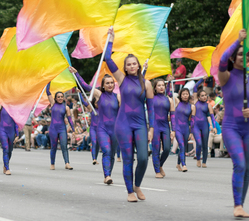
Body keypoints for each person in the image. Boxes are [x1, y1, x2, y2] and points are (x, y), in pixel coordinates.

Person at [218, 29, 249, 218]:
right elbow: (222, 60)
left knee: (246, 168)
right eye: (238, 54)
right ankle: (237, 205)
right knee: (239, 163)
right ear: (233, 58)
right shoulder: (226, 77)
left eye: (245, 55)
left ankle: (241, 204)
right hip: (231, 127)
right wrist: (238, 40)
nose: (242, 57)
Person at [103, 28, 154, 202]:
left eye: (134, 63)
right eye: (129, 64)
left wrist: (151, 128)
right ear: (125, 67)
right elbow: (107, 58)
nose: (132, 66)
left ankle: (137, 185)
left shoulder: (147, 84)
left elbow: (151, 108)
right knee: (127, 159)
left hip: (140, 124)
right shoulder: (122, 79)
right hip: (123, 124)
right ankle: (129, 192)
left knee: (142, 158)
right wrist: (111, 38)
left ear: (139, 65)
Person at [73, 68, 120, 183]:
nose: (110, 85)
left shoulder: (118, 96)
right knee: (107, 151)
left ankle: (108, 173)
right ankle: (107, 176)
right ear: (103, 85)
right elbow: (84, 85)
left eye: (111, 83)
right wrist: (76, 73)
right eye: (107, 83)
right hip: (102, 128)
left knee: (112, 154)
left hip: (115, 129)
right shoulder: (99, 94)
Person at [46, 82, 75, 170]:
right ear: (55, 98)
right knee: (53, 146)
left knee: (64, 146)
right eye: (58, 97)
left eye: (61, 97)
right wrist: (49, 80)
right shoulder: (53, 104)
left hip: (62, 129)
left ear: (64, 98)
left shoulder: (66, 107)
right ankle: (52, 164)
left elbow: (69, 119)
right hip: (53, 129)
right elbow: (47, 91)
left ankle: (67, 163)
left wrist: (73, 129)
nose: (60, 98)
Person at [151, 79, 175, 178]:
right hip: (155, 126)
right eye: (159, 85)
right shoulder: (151, 98)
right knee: (156, 149)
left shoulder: (169, 100)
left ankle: (160, 165)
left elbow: (172, 116)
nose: (161, 87)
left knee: (166, 149)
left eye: (163, 85)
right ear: (155, 88)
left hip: (165, 126)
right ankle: (157, 171)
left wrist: (173, 130)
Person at [192, 77, 217, 168]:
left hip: (204, 126)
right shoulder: (195, 101)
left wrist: (213, 126)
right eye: (202, 95)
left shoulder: (208, 105)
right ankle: (198, 158)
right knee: (198, 143)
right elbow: (195, 87)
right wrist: (202, 80)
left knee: (205, 144)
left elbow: (212, 117)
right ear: (198, 97)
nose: (204, 97)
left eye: (205, 95)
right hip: (196, 126)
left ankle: (204, 161)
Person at [175, 88, 195, 172]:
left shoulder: (192, 106)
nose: (185, 95)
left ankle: (178, 163)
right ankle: (184, 165)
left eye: (187, 94)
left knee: (183, 147)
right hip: (177, 128)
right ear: (180, 95)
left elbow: (192, 121)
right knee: (182, 145)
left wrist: (191, 132)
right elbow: (169, 92)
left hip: (186, 129)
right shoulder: (177, 102)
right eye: (183, 94)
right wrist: (169, 83)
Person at [0, 104, 19, 175]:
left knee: (10, 150)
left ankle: (5, 164)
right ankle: (7, 168)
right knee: (5, 148)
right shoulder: (1, 105)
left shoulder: (15, 109)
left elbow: (16, 123)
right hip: (2, 130)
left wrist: (17, 135)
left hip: (11, 131)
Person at [79, 93, 99, 165]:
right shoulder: (91, 109)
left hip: (101, 129)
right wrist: (79, 93)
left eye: (98, 102)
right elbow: (83, 102)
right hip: (93, 128)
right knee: (94, 142)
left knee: (98, 145)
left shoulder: (103, 109)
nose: (97, 104)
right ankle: (94, 159)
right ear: (93, 103)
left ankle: (95, 158)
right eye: (96, 102)